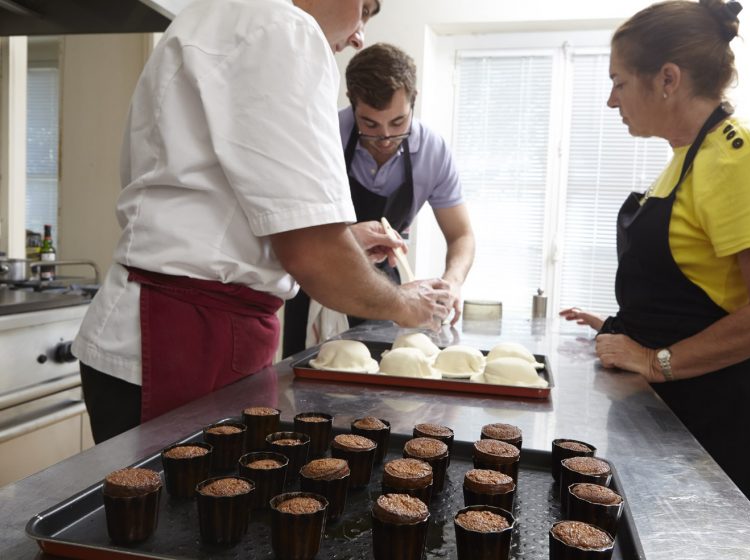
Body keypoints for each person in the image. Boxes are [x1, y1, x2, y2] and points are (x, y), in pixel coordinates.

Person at [71, 0, 456, 444]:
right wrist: (410, 306)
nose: (359, 35)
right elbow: (313, 255)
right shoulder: (284, 28)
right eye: (364, 9)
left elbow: (218, 203)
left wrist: (344, 239)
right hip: (182, 339)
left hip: (170, 330)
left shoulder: (219, 14)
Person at [561, 0, 750, 532]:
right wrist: (624, 324)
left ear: (667, 79)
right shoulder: (686, 156)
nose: (611, 100)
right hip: (677, 418)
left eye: (619, 82)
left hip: (722, 428)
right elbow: (696, 285)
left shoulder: (740, 153)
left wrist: (654, 358)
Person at [283, 42, 475, 356]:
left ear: (414, 101)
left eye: (398, 123)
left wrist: (452, 281)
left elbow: (462, 234)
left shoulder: (433, 152)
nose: (385, 137)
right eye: (370, 124)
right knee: (306, 380)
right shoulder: (323, 136)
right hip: (318, 284)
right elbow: (296, 232)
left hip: (387, 288)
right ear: (351, 103)